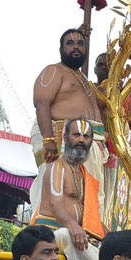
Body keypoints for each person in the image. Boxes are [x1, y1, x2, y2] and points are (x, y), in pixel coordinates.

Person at [31, 28, 108, 218]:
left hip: (88, 141)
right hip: (63, 139)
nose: (76, 47)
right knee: (60, 187)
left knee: (85, 192)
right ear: (61, 48)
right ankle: (48, 235)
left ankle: (87, 232)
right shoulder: (54, 70)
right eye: (70, 43)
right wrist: (49, 139)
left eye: (80, 44)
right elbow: (41, 102)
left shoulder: (83, 80)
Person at [34, 118, 105, 260]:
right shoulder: (56, 168)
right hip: (53, 232)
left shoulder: (84, 174)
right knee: (66, 234)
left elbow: (92, 217)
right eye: (76, 135)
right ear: (65, 137)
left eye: (86, 137)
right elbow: (55, 205)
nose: (81, 140)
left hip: (80, 234)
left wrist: (115, 238)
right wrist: (73, 226)